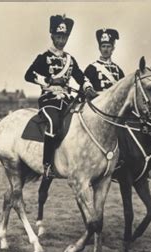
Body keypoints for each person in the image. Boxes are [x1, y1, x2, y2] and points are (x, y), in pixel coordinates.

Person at [24, 14, 96, 178]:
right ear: (52, 36)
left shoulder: (70, 60)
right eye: (58, 36)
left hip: (67, 101)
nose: (61, 40)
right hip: (49, 101)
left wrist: (88, 87)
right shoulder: (44, 58)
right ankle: (47, 165)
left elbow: (80, 76)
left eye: (64, 37)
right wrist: (49, 79)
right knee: (54, 123)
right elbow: (29, 75)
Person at [84, 28, 125, 93]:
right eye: (103, 46)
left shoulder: (119, 71)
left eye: (108, 46)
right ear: (99, 48)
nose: (106, 49)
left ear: (113, 48)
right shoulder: (91, 68)